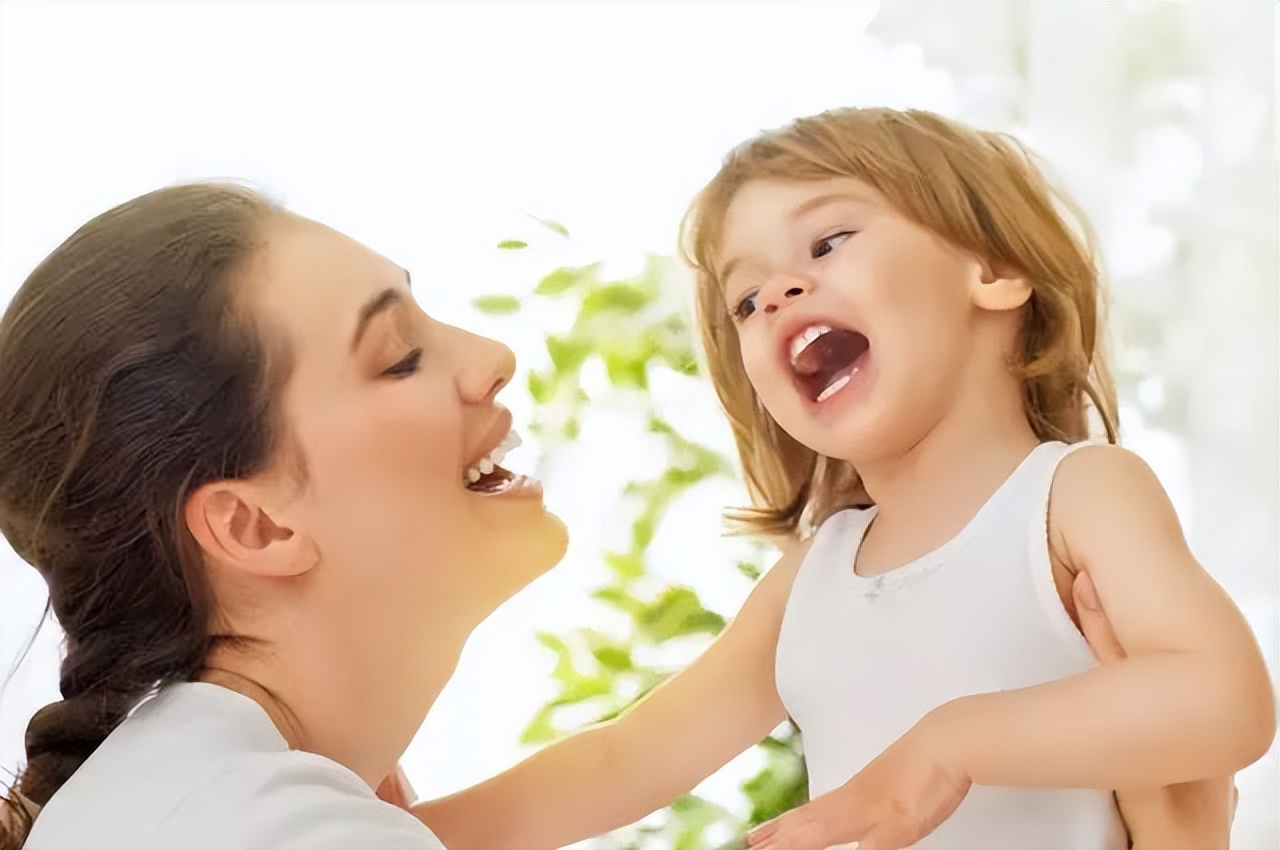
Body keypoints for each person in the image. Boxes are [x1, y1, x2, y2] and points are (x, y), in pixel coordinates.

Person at [416, 107, 1273, 849]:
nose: (780, 294)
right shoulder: (813, 576)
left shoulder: (1075, 496)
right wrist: (411, 836)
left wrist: (955, 742)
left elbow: (1225, 698)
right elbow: (623, 759)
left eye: (828, 242)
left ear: (993, 273)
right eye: (745, 301)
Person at [0, 182, 568, 848]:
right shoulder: (268, 824)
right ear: (254, 526)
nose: (492, 358)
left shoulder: (204, 794)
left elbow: (601, 772)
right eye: (400, 358)